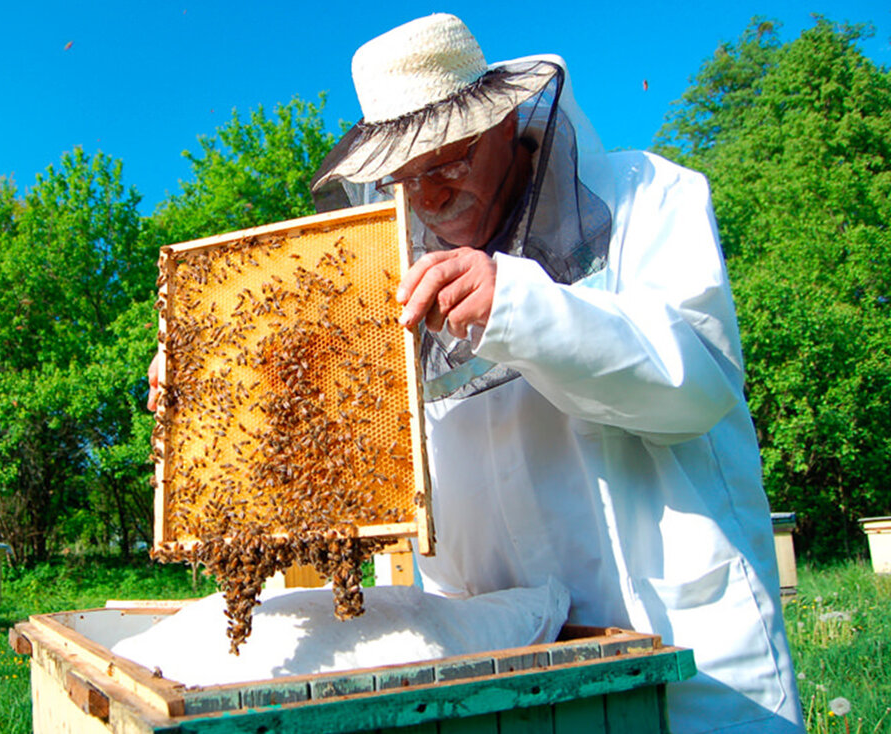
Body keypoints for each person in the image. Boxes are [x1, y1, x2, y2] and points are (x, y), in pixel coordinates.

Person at [305, 13, 805, 734]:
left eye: (447, 161)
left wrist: (515, 305)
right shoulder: (388, 276)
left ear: (504, 122)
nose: (432, 198)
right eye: (405, 179)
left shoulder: (648, 197)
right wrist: (221, 393)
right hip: (503, 675)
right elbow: (348, 452)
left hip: (679, 658)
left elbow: (694, 387)